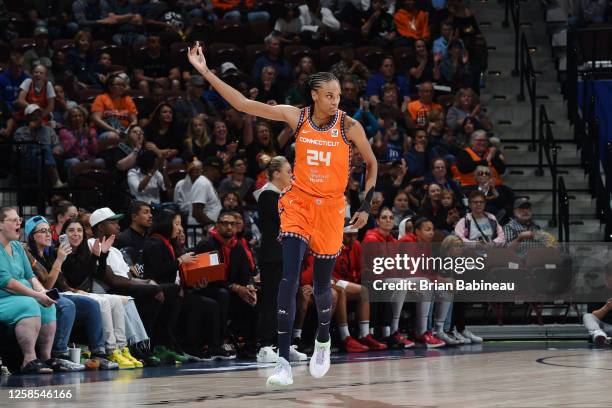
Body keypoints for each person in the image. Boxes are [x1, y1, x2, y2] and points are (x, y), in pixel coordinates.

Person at [188, 43, 378, 386]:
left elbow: (372, 164)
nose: (338, 100)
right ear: (315, 95)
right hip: (299, 204)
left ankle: (322, 338)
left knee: (321, 285)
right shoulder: (297, 116)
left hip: (332, 210)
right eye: (331, 95)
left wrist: (365, 205)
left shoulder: (349, 127)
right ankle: (282, 361)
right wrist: (205, 72)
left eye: (339, 95)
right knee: (289, 278)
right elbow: (245, 104)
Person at [24, 215, 108, 370]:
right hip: (37, 296)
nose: (48, 234)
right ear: (32, 236)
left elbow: (61, 284)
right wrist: (60, 261)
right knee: (67, 305)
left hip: (54, 293)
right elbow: (46, 284)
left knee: (92, 304)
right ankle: (60, 354)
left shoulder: (48, 254)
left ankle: (99, 353)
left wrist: (75, 290)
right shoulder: (29, 254)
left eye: (49, 231)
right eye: (42, 231)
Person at [0, 207, 57, 374]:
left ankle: (46, 358)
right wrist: (36, 295)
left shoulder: (17, 247)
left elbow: (31, 276)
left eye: (20, 219)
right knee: (30, 304)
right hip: (4, 298)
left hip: (19, 295)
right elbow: (7, 283)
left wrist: (42, 293)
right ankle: (29, 359)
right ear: (1, 225)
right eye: (14, 220)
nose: (20, 222)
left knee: (48, 305)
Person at [253, 156, 297, 360]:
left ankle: (283, 345)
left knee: (287, 301)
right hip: (273, 256)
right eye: (288, 171)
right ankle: (265, 345)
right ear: (276, 173)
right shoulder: (267, 196)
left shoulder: (283, 195)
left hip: (287, 255)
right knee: (272, 300)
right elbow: (288, 218)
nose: (292, 175)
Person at [189, 157, 223, 227]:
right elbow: (197, 212)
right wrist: (213, 225)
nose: (220, 174)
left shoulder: (207, 182)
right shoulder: (202, 183)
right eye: (219, 170)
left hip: (205, 230)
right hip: (200, 230)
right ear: (214, 170)